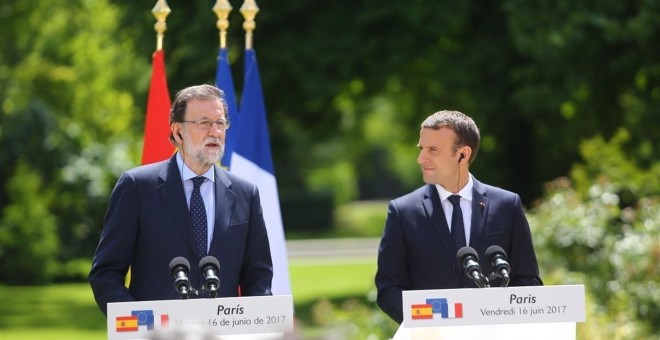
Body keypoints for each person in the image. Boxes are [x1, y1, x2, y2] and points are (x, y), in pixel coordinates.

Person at [89, 84, 273, 315]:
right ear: (178, 131)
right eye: (204, 123)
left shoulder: (246, 193)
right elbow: (105, 274)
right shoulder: (137, 187)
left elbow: (258, 277)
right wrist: (139, 325)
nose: (215, 131)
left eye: (220, 123)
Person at [375, 110, 542, 323]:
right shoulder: (402, 211)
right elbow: (389, 289)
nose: (421, 158)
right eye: (421, 149)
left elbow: (527, 280)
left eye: (432, 150)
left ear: (463, 154)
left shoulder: (507, 205)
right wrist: (434, 321)